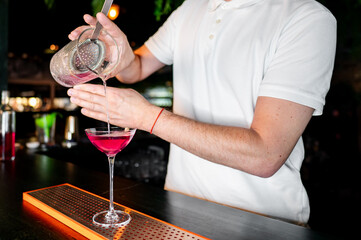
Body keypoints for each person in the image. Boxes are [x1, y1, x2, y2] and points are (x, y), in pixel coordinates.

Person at [67, 0, 336, 225]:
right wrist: (121, 55)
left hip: (263, 222)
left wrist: (148, 117)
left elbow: (265, 155)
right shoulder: (191, 8)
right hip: (179, 212)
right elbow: (136, 68)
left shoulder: (306, 18)